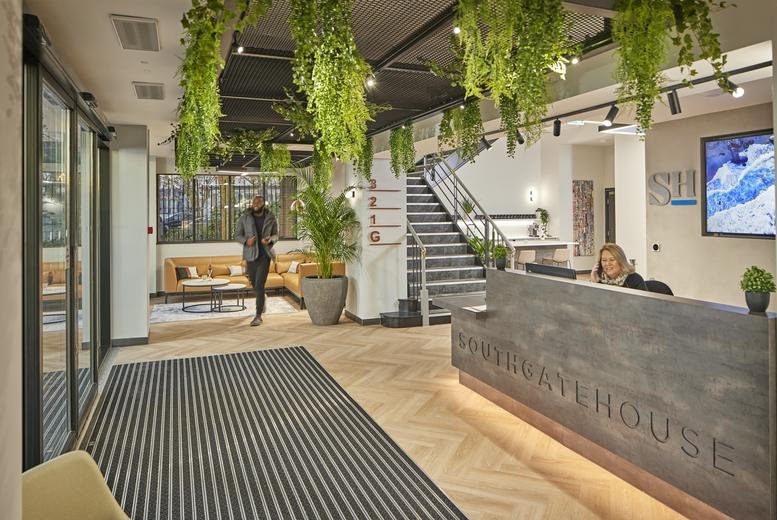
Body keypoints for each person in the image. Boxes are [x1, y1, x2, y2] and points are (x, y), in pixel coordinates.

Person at [235, 195, 279, 326]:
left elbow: (276, 235)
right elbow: (237, 235)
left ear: (263, 204)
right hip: (250, 255)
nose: (255, 204)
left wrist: (270, 239)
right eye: (254, 202)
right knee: (254, 283)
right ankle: (262, 298)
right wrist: (246, 241)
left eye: (258, 202)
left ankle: (258, 315)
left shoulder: (270, 217)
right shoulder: (245, 217)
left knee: (259, 284)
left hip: (265, 255)